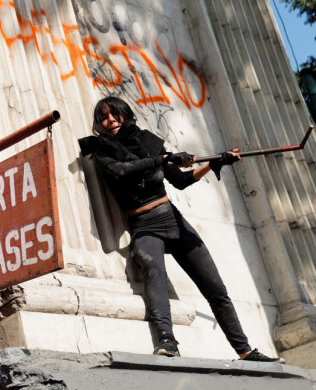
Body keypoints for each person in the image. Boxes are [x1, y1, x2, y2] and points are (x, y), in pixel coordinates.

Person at [78, 96, 279, 362]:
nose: (110, 120)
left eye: (115, 114)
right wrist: (163, 160)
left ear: (125, 114)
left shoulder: (149, 141)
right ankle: (167, 342)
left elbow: (181, 180)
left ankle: (245, 350)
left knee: (216, 288)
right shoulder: (102, 149)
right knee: (154, 273)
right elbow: (123, 171)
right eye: (103, 117)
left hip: (173, 220)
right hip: (144, 227)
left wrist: (213, 164)